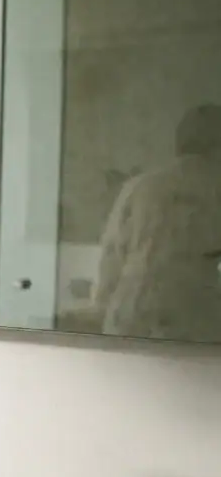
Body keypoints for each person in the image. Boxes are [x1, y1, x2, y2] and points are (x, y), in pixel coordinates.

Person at [92, 103, 221, 342]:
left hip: (130, 312)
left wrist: (102, 307)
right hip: (194, 316)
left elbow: (112, 254)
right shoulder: (215, 187)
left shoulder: (140, 186)